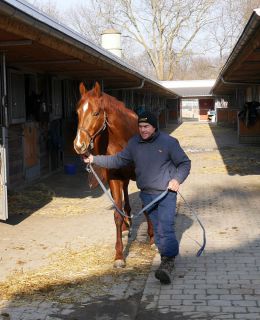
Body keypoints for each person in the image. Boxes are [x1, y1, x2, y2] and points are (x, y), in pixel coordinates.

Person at [84, 111, 191, 284]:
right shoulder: (134, 144)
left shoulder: (169, 142)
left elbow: (185, 163)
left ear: (154, 126)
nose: (143, 130)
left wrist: (177, 179)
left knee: (166, 228)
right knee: (158, 228)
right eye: (140, 127)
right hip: (147, 196)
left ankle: (167, 263)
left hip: (165, 194)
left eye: (146, 126)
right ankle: (166, 257)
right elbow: (117, 160)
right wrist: (94, 159)